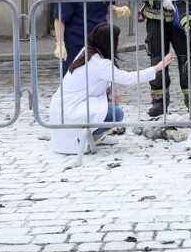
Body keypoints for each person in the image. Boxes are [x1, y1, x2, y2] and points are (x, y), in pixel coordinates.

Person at [48, 21, 170, 155]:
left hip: (66, 105)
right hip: (71, 110)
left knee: (109, 107)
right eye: (117, 39)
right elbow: (128, 78)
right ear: (109, 42)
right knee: (116, 114)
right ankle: (87, 136)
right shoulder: (99, 63)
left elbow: (104, 77)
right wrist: (157, 68)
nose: (119, 42)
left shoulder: (87, 51)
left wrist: (112, 89)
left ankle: (96, 136)